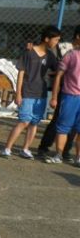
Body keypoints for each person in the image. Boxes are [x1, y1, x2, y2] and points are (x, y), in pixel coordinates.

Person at [1, 26, 61, 159]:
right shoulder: (28, 52)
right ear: (47, 39)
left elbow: (58, 70)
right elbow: (21, 73)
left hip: (41, 94)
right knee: (24, 121)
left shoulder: (50, 56)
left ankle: (25, 149)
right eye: (55, 40)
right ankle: (7, 148)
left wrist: (50, 73)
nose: (57, 43)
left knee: (34, 122)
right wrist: (18, 93)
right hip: (27, 92)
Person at [46, 25, 80, 166]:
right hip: (70, 96)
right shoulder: (71, 55)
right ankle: (58, 154)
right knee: (63, 127)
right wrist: (54, 97)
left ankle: (78, 157)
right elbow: (59, 75)